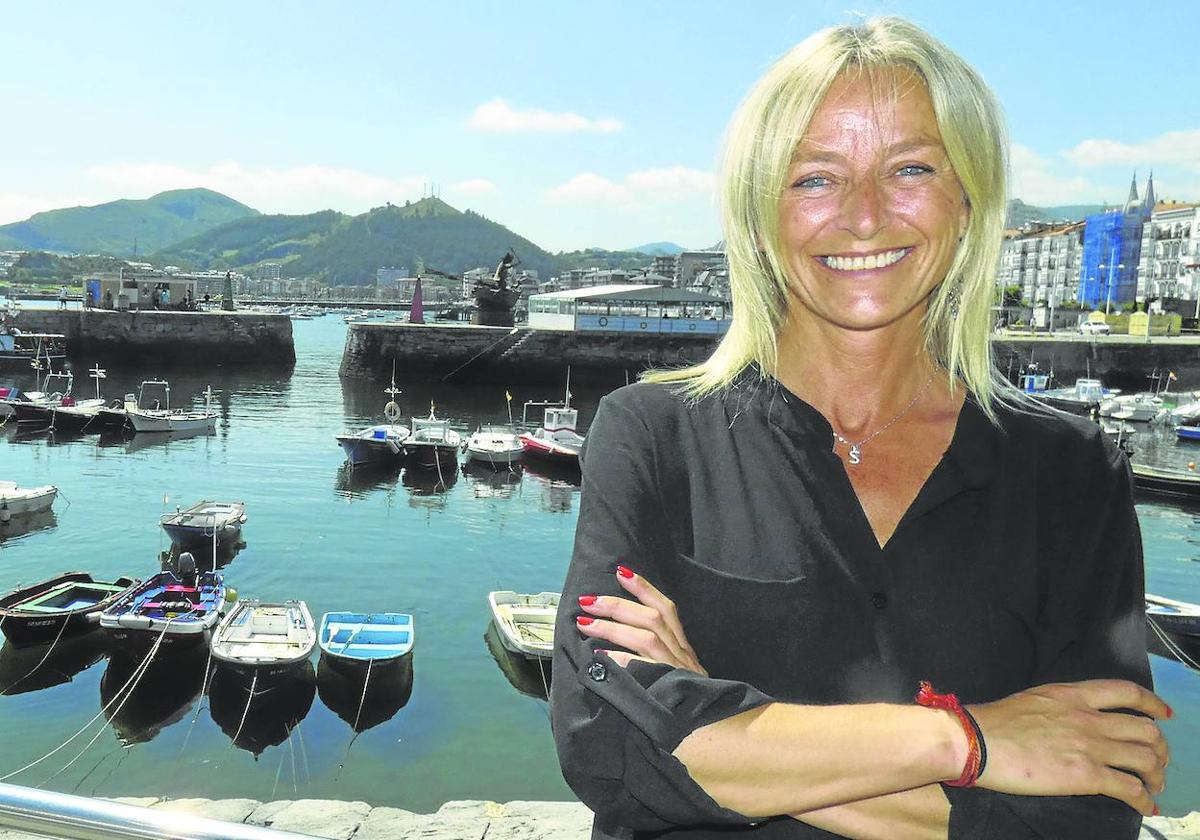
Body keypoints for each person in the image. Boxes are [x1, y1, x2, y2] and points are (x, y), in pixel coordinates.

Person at [550, 17, 1169, 840]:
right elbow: (611, 751)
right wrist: (970, 739)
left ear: (968, 201)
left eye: (910, 168)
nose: (866, 217)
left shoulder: (1071, 471)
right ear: (760, 213)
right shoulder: (653, 436)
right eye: (815, 179)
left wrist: (717, 738)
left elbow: (1094, 810)